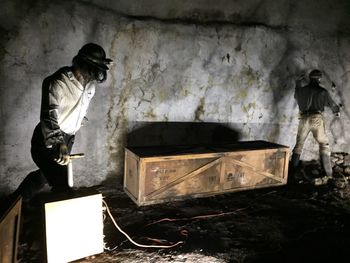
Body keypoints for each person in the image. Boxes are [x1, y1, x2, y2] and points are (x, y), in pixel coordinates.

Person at [15, 43, 112, 201]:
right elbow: (48, 116)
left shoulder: (90, 87)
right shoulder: (57, 82)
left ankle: (15, 203)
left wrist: (79, 120)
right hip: (48, 139)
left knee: (44, 177)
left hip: (67, 139)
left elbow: (81, 107)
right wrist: (59, 142)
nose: (93, 75)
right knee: (62, 186)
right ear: (81, 63)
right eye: (92, 69)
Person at [291, 69, 340, 179]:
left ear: (310, 78)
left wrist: (298, 82)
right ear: (319, 79)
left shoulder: (301, 91)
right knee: (323, 143)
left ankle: (291, 173)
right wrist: (337, 111)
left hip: (303, 118)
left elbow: (296, 94)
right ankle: (328, 174)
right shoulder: (322, 91)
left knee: (298, 145)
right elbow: (332, 105)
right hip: (316, 118)